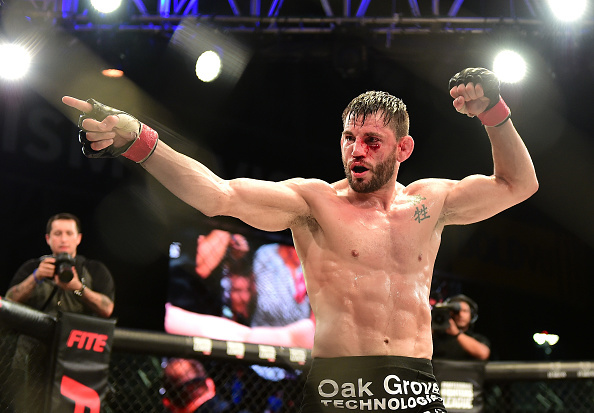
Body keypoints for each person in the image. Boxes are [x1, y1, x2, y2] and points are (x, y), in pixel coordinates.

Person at [62, 67, 538, 412]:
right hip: (341, 390)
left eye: (372, 141)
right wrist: (139, 140)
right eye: (349, 138)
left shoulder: (430, 203)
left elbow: (518, 184)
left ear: (403, 148)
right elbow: (217, 195)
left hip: (417, 389)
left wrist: (494, 114)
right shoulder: (314, 203)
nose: (357, 150)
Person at [5, 212, 115, 413]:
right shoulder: (33, 267)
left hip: (76, 360)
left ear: (78, 238)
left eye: (68, 233)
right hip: (30, 359)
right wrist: (35, 277)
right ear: (48, 238)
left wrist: (78, 288)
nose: (63, 239)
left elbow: (107, 308)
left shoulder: (93, 269)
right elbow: (8, 302)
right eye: (57, 233)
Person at [432, 294, 491, 361]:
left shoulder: (478, 338)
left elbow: (483, 354)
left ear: (472, 315)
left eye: (465, 311)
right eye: (456, 311)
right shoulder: (436, 338)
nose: (461, 314)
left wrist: (456, 333)